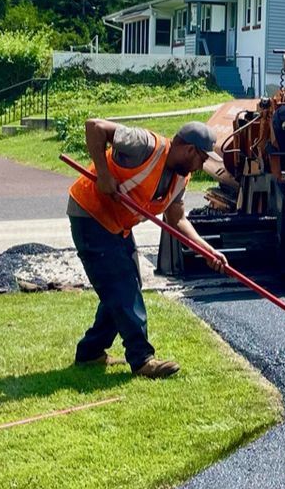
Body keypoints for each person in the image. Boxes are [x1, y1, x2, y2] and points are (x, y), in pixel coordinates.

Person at [66, 118, 226, 377]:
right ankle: (142, 359)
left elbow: (177, 220)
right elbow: (94, 126)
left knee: (126, 285)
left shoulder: (179, 181)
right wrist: (103, 176)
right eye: (202, 159)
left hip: (116, 225)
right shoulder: (144, 145)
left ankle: (90, 352)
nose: (201, 166)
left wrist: (207, 249)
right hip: (89, 213)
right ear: (189, 150)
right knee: (122, 286)